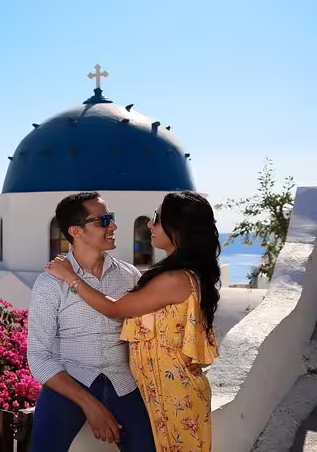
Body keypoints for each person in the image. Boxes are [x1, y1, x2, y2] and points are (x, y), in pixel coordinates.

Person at [45, 191, 220, 452]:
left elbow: (114, 309)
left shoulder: (174, 280)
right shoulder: (163, 275)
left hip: (174, 394)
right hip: (159, 392)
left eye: (158, 219)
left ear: (179, 229)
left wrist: (71, 278)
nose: (150, 224)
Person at [27, 192, 158, 451]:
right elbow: (38, 357)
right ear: (76, 231)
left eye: (112, 218)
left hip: (124, 383)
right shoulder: (49, 283)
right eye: (103, 220)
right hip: (70, 383)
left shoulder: (129, 275)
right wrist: (90, 405)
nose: (113, 226)